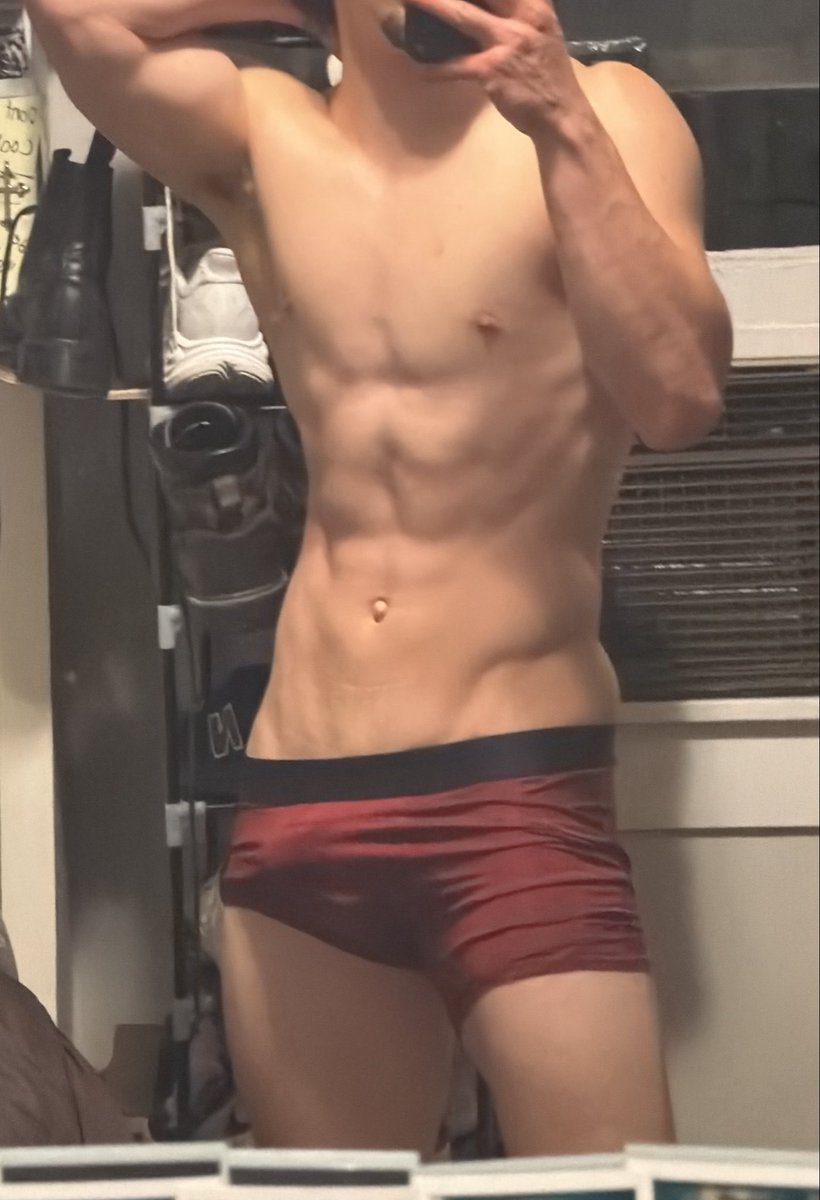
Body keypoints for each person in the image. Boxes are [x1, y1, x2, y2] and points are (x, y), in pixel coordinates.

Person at [27, 0, 733, 1158]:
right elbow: (77, 19)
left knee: (604, 1188)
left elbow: (678, 396)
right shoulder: (263, 135)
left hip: (514, 784)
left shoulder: (606, 112)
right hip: (300, 789)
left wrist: (557, 117)